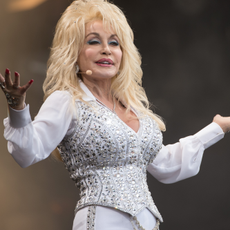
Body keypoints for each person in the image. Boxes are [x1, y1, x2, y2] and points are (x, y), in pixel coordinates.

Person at [0, 0, 230, 229]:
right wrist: (17, 107)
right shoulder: (67, 100)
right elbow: (28, 152)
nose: (106, 49)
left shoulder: (134, 108)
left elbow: (166, 164)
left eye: (114, 42)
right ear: (74, 52)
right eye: (93, 41)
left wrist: (218, 127)